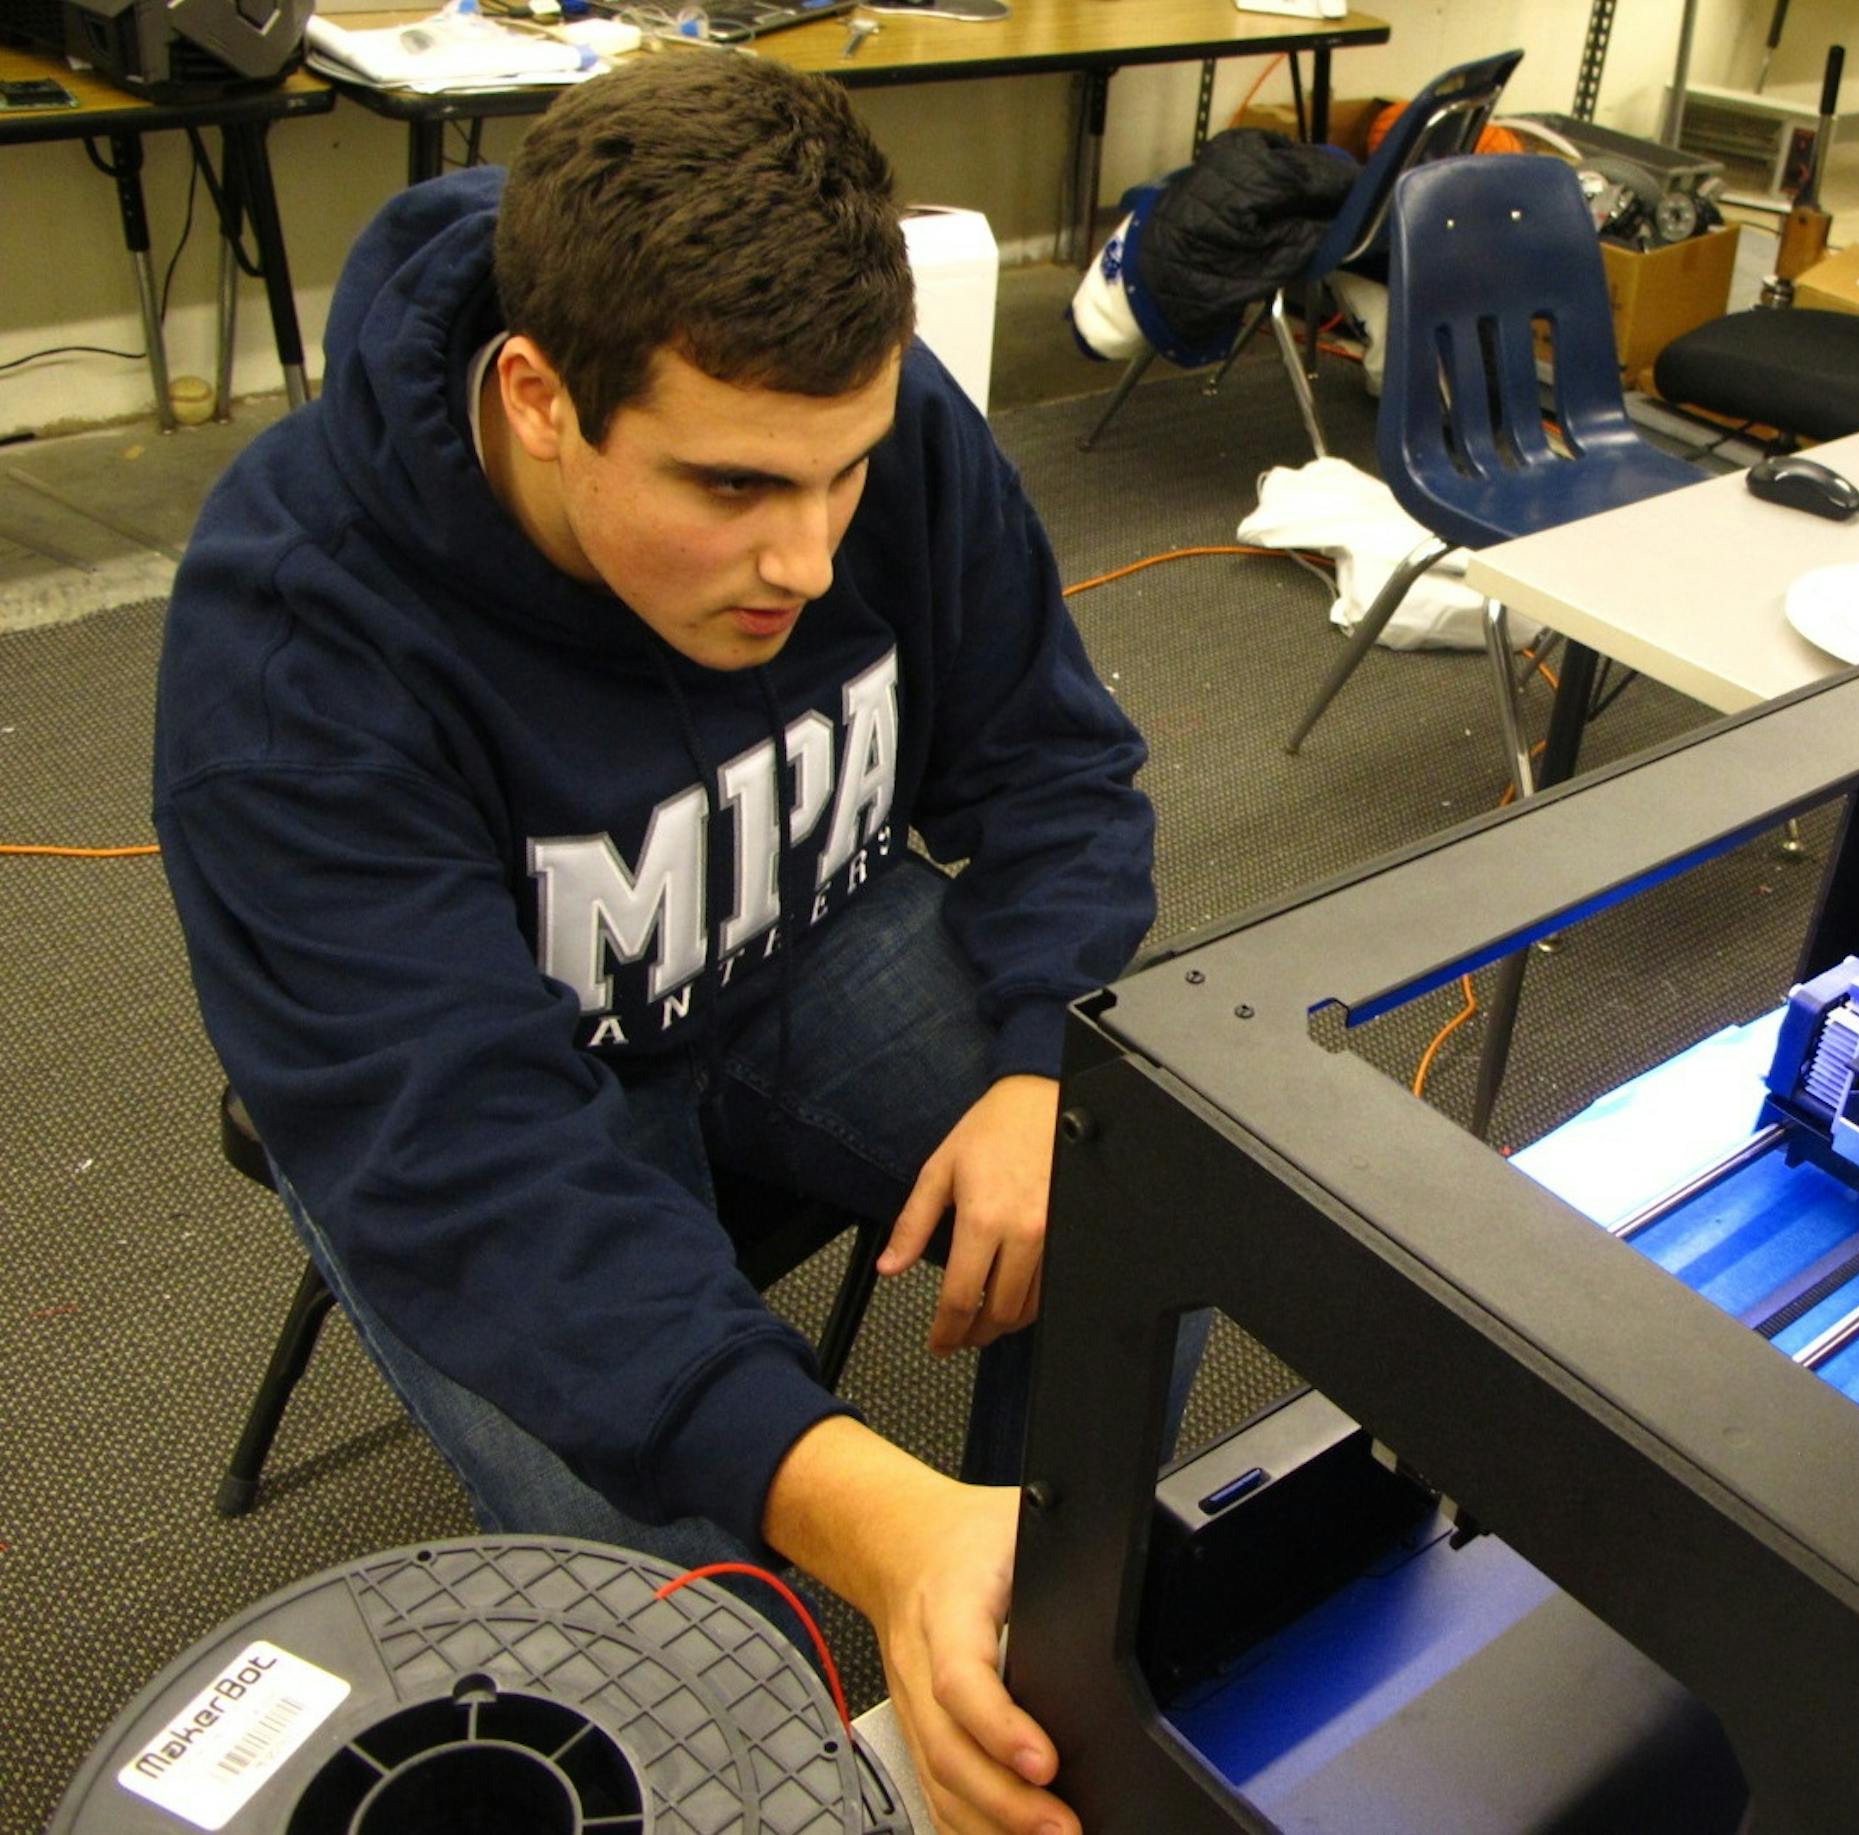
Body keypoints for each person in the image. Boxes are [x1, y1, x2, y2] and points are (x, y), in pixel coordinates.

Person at [154, 51, 1157, 1835]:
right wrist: (870, 1514)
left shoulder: (858, 410)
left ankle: (1021, 1694)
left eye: (843, 478)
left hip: (801, 934)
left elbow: (1054, 764)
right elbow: (478, 1174)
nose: (805, 550)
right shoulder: (293, 652)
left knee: (1135, 1199)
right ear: (539, 397)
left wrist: (1041, 1063)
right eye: (728, 493)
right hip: (481, 1104)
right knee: (696, 1639)